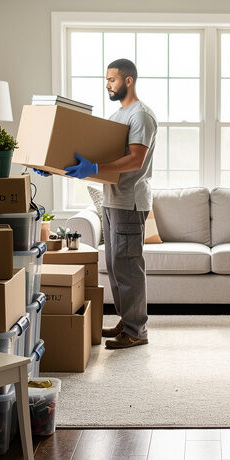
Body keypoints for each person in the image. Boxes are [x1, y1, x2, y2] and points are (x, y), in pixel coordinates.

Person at [64, 58, 158, 349]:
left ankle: (136, 331)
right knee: (115, 266)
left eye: (112, 80)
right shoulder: (118, 116)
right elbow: (101, 155)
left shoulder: (140, 115)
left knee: (128, 266)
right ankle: (126, 321)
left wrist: (91, 168)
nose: (108, 85)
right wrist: (58, 163)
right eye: (106, 80)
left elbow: (135, 159)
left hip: (129, 201)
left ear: (128, 81)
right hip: (111, 199)